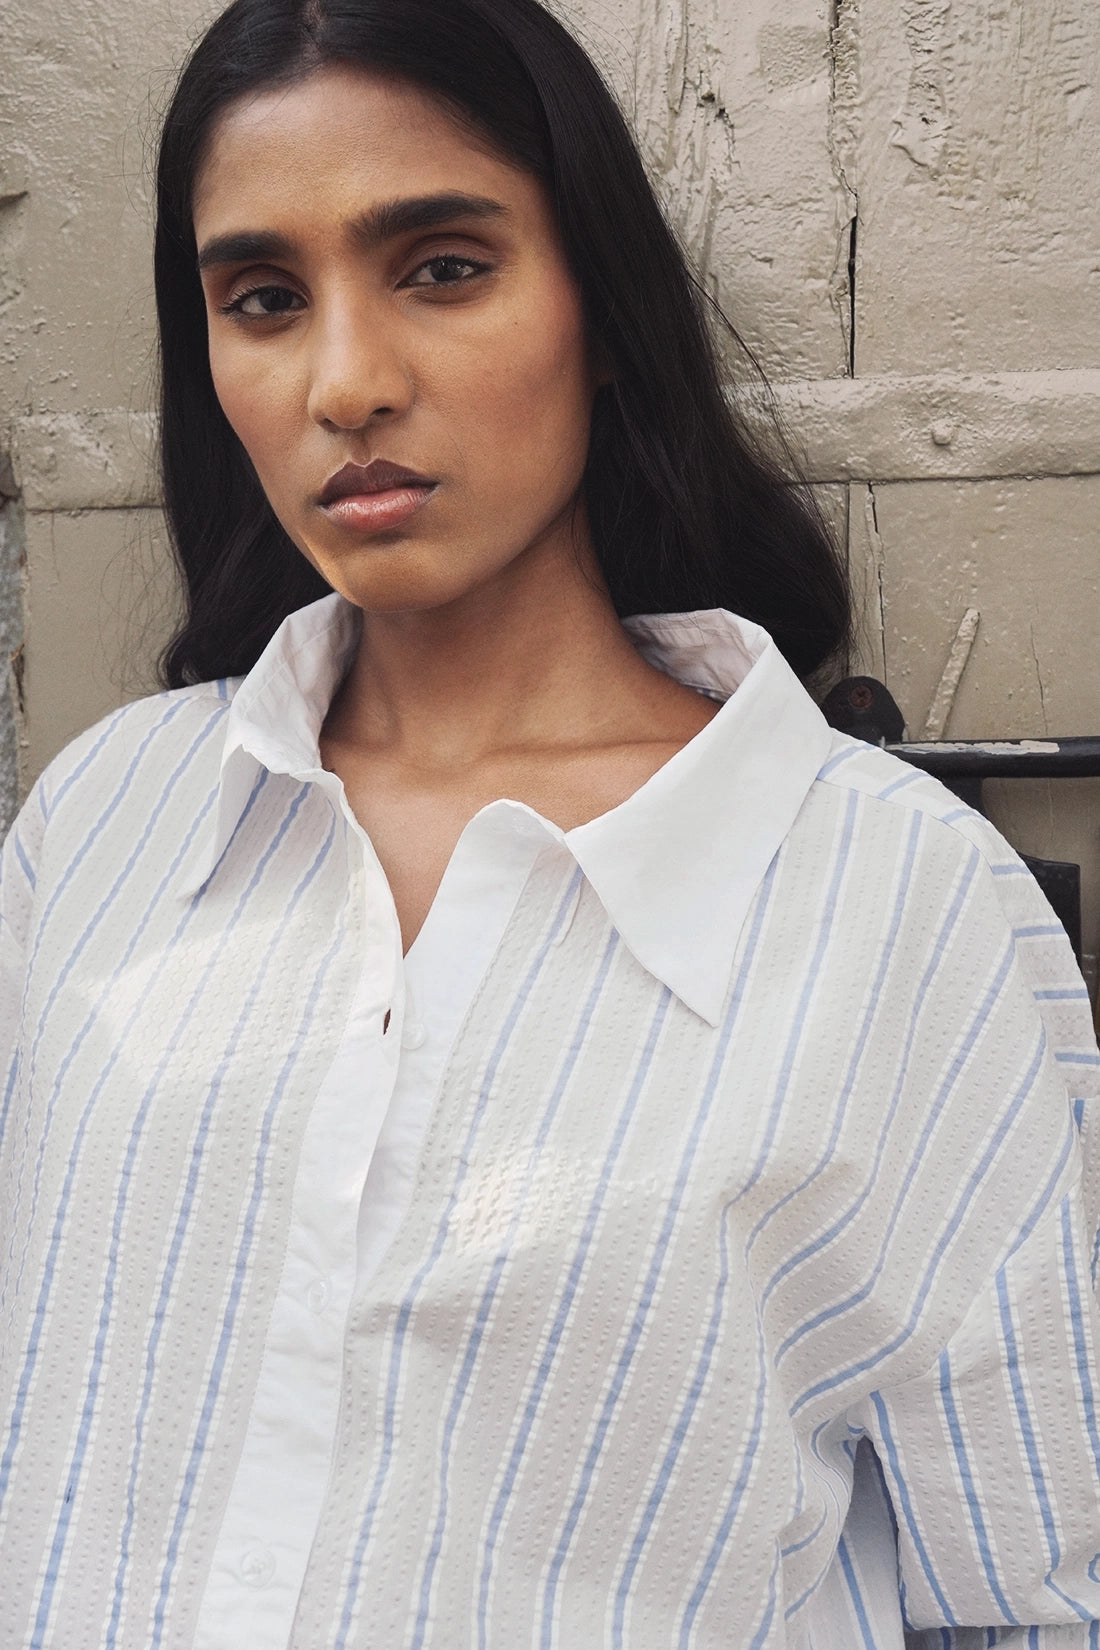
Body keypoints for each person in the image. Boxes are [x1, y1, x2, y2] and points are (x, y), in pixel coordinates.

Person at [0, 0, 1097, 1644]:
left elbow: (1032, 1589)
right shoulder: (101, 823)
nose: (346, 382)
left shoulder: (900, 899)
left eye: (442, 267)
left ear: (602, 305)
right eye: (264, 299)